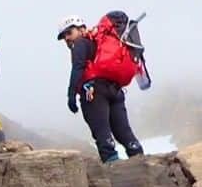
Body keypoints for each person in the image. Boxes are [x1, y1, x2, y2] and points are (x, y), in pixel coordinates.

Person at [58, 13, 144, 163]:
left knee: (101, 130)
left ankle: (112, 166)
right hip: (116, 90)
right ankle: (140, 159)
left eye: (69, 32)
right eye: (64, 36)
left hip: (94, 91)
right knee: (123, 131)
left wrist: (71, 95)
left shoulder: (80, 43)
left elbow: (78, 68)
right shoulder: (101, 41)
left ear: (81, 28)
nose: (67, 38)